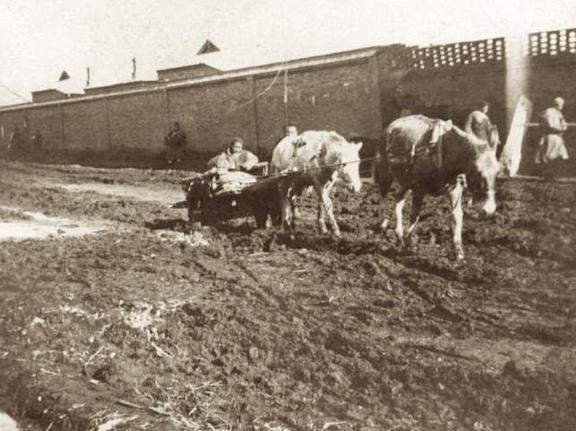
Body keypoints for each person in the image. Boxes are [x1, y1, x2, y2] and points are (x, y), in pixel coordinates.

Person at [535, 97, 569, 178]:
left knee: (559, 155)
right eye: (561, 104)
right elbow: (550, 125)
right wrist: (560, 128)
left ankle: (552, 174)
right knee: (549, 156)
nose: (562, 106)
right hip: (551, 136)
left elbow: (564, 124)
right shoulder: (549, 111)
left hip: (558, 137)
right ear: (557, 104)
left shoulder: (559, 113)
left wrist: (564, 127)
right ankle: (547, 175)